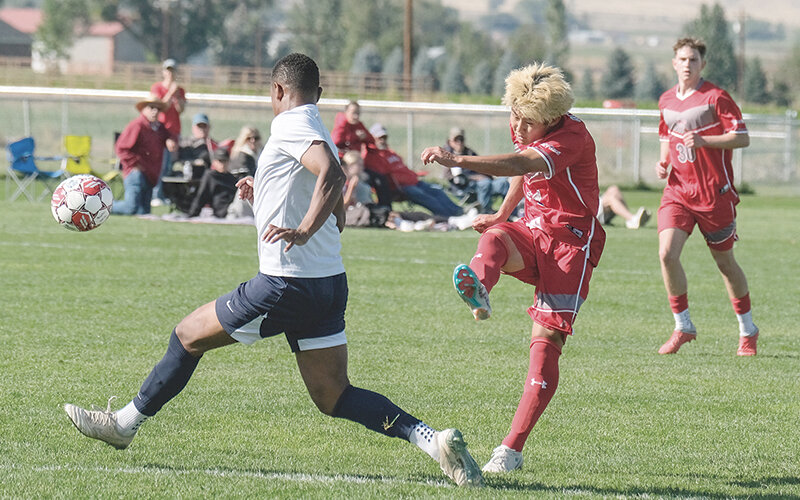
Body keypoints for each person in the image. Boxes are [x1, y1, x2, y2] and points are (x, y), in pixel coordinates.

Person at [64, 53, 484, 488]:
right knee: (333, 394)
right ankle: (433, 442)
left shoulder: (291, 123)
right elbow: (332, 199)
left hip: (286, 284)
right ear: (319, 94)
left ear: (278, 91)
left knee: (187, 336)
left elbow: (332, 175)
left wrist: (302, 229)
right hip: (327, 283)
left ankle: (124, 425)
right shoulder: (316, 123)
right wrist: (261, 191)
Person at [421, 62, 606, 474]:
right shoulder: (527, 121)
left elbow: (520, 164)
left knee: (545, 346)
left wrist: (456, 159)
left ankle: (511, 450)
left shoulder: (571, 136)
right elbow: (521, 172)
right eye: (514, 116)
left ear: (552, 119)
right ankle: (479, 290)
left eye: (527, 122)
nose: (518, 126)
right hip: (533, 228)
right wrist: (502, 212)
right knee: (494, 238)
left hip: (570, 245)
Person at [655, 37, 758, 356]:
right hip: (677, 192)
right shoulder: (666, 99)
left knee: (725, 263)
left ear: (702, 64)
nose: (687, 64)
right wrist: (664, 161)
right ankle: (683, 325)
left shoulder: (716, 97)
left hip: (714, 195)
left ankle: (747, 330)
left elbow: (742, 138)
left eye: (693, 60)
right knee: (667, 254)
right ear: (674, 63)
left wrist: (705, 141)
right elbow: (665, 134)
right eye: (682, 59)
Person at [367, 123, 465, 218]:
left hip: (414, 182)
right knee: (424, 195)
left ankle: (459, 212)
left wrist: (414, 174)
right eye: (379, 138)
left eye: (384, 138)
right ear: (373, 138)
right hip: (400, 188)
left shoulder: (391, 153)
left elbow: (402, 169)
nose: (382, 141)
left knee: (437, 190)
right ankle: (448, 216)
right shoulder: (373, 156)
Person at [112, 96, 176, 215]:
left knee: (144, 213)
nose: (155, 111)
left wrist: (169, 140)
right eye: (151, 107)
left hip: (150, 174)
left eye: (158, 109)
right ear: (143, 110)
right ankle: (103, 207)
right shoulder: (137, 125)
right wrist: (134, 164)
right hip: (136, 174)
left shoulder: (159, 128)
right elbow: (121, 148)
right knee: (130, 208)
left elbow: (169, 136)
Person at [331, 100, 393, 207]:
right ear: (346, 113)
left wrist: (364, 137)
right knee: (361, 183)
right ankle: (362, 208)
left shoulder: (359, 125)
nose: (355, 116)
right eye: (353, 113)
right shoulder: (341, 124)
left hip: (357, 165)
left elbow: (371, 140)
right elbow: (335, 141)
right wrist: (355, 137)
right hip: (344, 165)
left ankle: (385, 209)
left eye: (358, 113)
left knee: (380, 179)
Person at [442, 127, 509, 214]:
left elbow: (483, 166)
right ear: (450, 141)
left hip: (485, 182)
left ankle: (511, 213)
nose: (459, 142)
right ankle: (485, 212)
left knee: (503, 182)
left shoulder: (470, 152)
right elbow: (450, 176)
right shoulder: (447, 155)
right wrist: (475, 177)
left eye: (461, 139)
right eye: (456, 140)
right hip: (466, 186)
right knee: (485, 183)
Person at [151, 58, 186, 206]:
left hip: (174, 131)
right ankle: (155, 194)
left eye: (173, 71)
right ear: (163, 72)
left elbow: (181, 110)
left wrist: (177, 97)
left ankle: (164, 194)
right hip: (161, 131)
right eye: (168, 70)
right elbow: (160, 107)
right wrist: (170, 93)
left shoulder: (180, 90)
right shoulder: (157, 88)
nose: (170, 74)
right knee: (160, 163)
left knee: (169, 164)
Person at [187, 147, 238, 219]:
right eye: (220, 161)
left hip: (235, 207)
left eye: (225, 161)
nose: (222, 164)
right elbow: (201, 196)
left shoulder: (233, 178)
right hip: (224, 211)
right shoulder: (211, 176)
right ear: (214, 162)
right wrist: (192, 215)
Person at [225, 126, 262, 219]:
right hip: (237, 189)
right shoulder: (242, 155)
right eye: (249, 138)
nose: (253, 140)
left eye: (256, 138)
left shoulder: (261, 153)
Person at [177, 112, 218, 179]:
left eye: (204, 126)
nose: (202, 129)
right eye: (199, 126)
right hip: (190, 174)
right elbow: (180, 161)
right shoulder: (186, 143)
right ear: (193, 128)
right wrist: (194, 162)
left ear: (209, 128)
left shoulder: (213, 144)